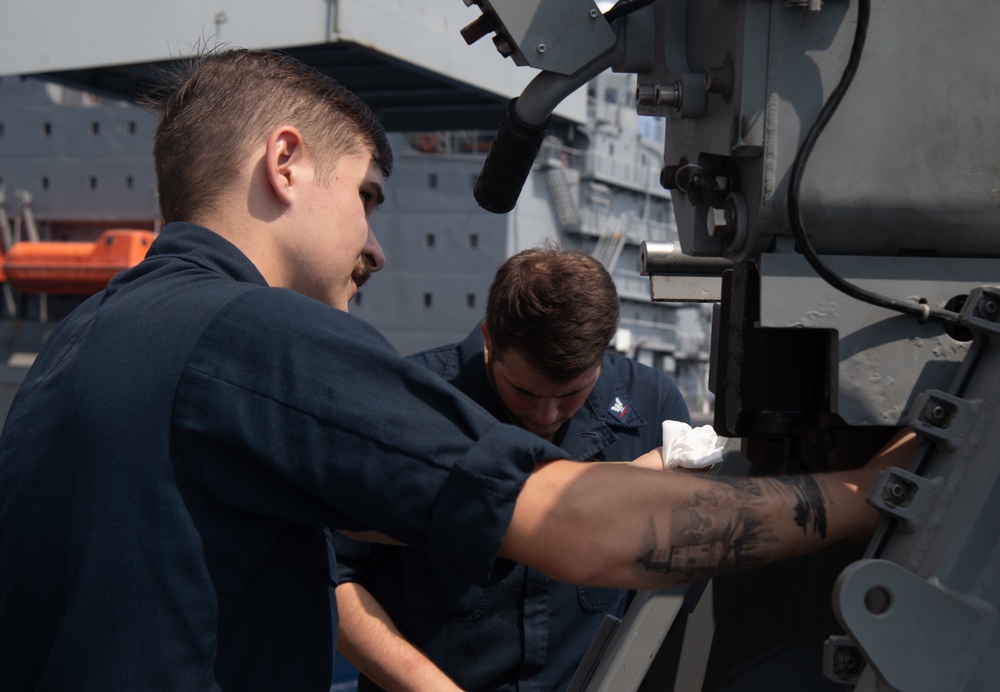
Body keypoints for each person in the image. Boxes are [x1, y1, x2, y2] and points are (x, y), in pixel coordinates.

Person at [0, 48, 917, 692]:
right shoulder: (253, 331)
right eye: (365, 196)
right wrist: (867, 495)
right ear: (285, 162)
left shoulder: (90, 340)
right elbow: (578, 535)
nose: (375, 245)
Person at [333, 245, 692, 692]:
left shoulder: (652, 409)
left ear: (603, 354)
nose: (546, 415)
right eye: (525, 391)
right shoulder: (405, 409)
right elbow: (334, 576)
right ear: (489, 338)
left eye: (570, 394)